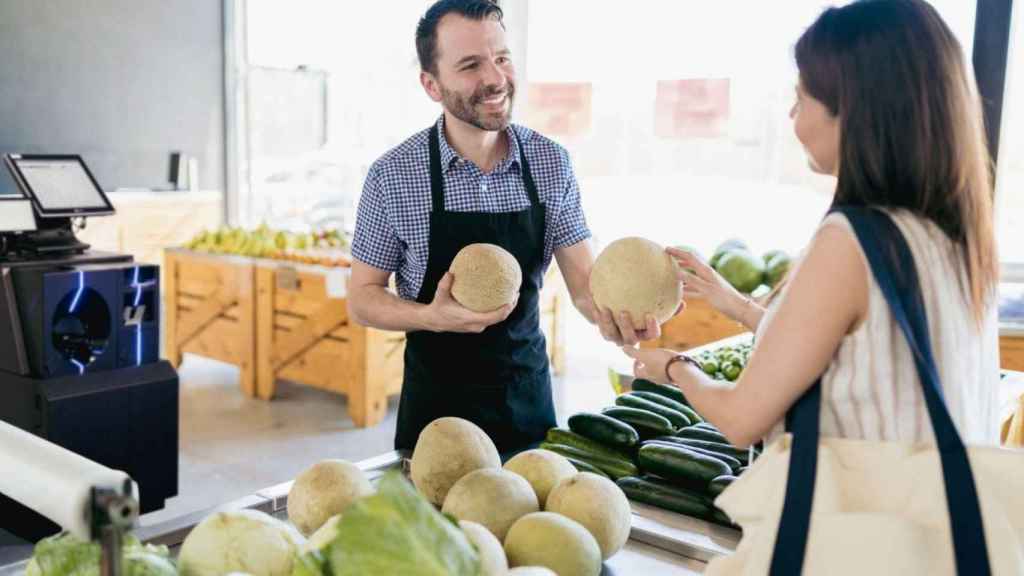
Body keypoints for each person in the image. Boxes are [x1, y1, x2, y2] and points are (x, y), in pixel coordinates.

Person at [625, 0, 1001, 447]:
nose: (792, 117)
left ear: (856, 112)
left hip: (862, 514)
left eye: (801, 99)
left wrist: (674, 367)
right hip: (930, 512)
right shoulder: (950, 234)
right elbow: (862, 352)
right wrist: (737, 305)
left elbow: (742, 418)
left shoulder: (851, 240)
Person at [348, 0, 652, 453]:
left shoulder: (551, 163)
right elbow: (362, 298)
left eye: (502, 58)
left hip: (526, 404)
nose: (494, 78)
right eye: (470, 65)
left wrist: (617, 321)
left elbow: (586, 288)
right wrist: (430, 316)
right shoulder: (393, 176)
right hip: (436, 419)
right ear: (431, 85)